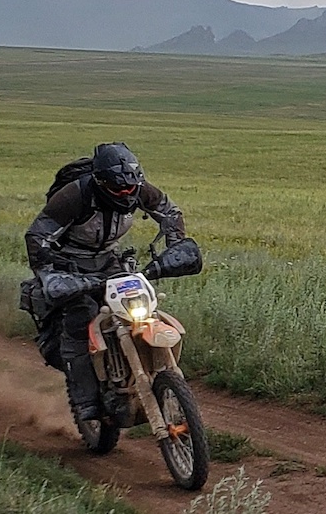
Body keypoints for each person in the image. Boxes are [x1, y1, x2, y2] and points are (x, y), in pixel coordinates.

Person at [23, 142, 199, 421]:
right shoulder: (75, 196)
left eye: (131, 188)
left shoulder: (138, 188)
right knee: (80, 319)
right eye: (119, 190)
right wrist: (48, 272)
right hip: (69, 264)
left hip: (108, 260)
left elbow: (170, 212)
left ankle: (149, 371)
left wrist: (175, 246)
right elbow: (37, 235)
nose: (127, 194)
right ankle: (85, 402)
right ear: (101, 183)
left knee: (139, 305)